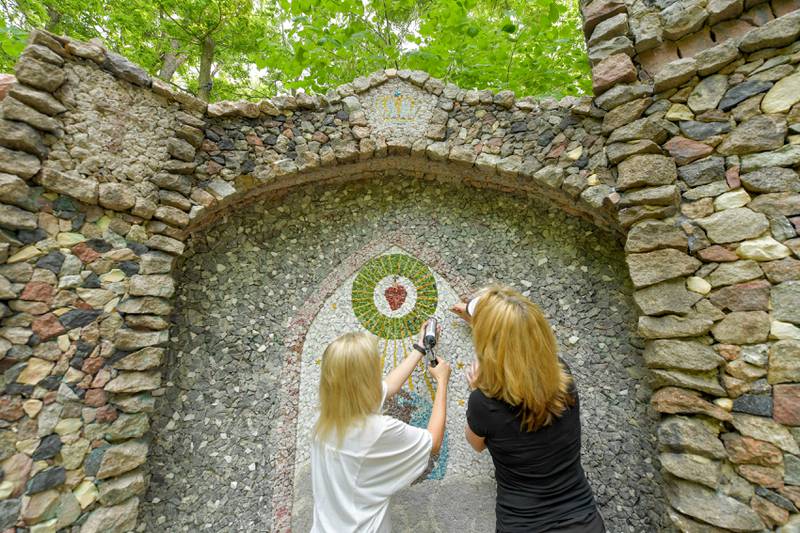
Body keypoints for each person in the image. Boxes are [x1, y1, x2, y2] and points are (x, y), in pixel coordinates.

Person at [452, 285, 605, 533]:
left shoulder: (483, 402)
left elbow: (476, 443)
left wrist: (476, 388)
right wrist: (480, 323)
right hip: (583, 522)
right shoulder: (561, 373)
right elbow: (516, 348)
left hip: (524, 525)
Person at [310, 324, 451, 532]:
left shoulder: (325, 417)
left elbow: (387, 387)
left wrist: (419, 348)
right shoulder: (377, 431)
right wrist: (442, 382)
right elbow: (433, 442)